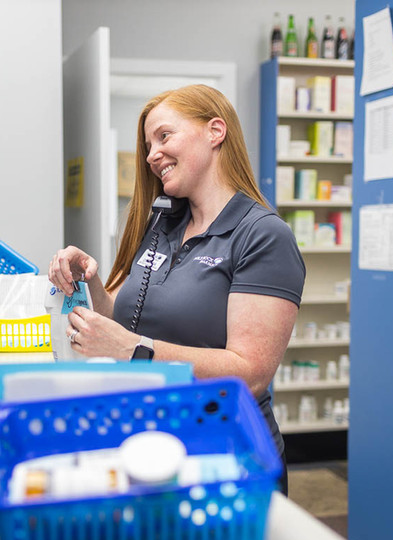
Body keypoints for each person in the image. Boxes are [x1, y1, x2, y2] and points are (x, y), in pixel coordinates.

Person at [48, 84, 305, 494]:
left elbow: (250, 374)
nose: (151, 155)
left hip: (225, 453)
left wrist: (134, 350)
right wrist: (89, 279)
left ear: (215, 131)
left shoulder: (262, 236)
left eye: (164, 136)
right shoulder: (161, 224)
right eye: (148, 144)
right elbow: (122, 321)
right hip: (153, 445)